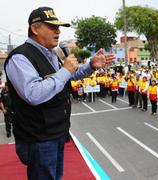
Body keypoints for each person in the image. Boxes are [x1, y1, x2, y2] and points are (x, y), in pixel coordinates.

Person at [4, 7, 111, 180]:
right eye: (52, 27)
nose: (58, 31)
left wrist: (91, 65)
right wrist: (65, 70)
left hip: (57, 131)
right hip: (38, 138)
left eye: (59, 27)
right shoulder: (20, 57)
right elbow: (33, 94)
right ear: (35, 28)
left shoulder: (50, 54)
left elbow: (68, 75)